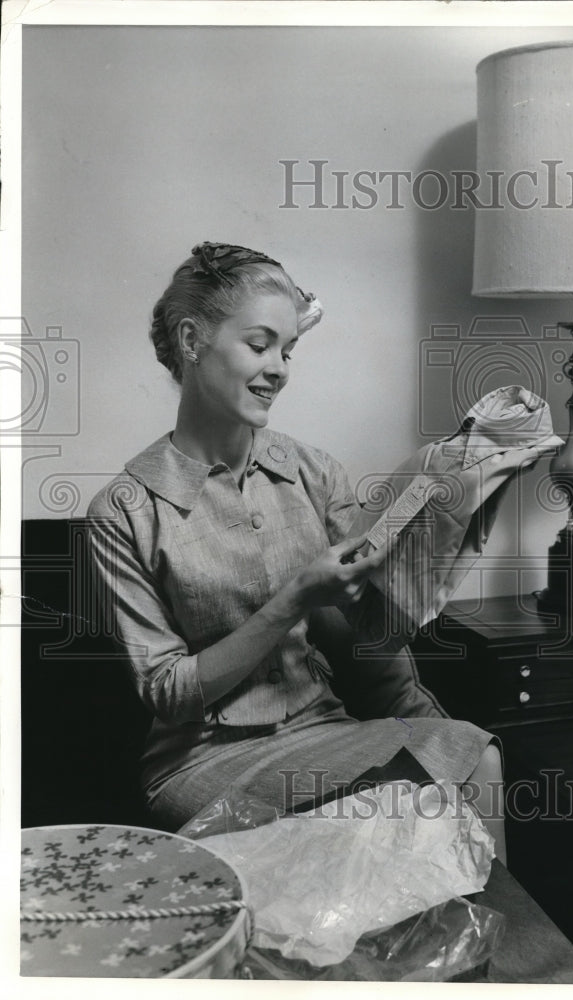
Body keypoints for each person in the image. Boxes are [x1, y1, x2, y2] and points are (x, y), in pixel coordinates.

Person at [87, 242, 506, 862]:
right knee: (380, 818)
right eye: (260, 345)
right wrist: (295, 599)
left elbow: (369, 640)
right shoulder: (124, 510)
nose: (280, 368)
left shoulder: (314, 473)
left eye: (288, 350)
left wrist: (459, 512)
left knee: (475, 754)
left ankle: (495, 956)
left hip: (326, 731)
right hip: (204, 761)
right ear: (192, 339)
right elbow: (168, 691)